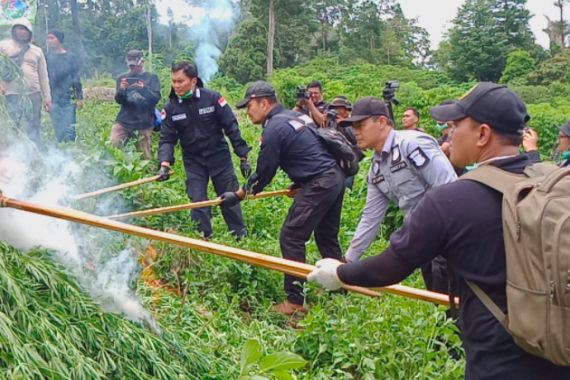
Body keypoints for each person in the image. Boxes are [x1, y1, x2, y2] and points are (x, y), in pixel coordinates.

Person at [308, 82, 570, 379]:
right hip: (559, 344)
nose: (448, 133)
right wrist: (350, 257)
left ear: (482, 134)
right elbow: (371, 215)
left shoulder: (452, 198)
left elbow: (391, 266)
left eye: (456, 125)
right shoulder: (551, 180)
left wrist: (340, 274)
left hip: (500, 359)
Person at [221, 81, 345, 315]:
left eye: (250, 106)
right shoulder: (294, 117)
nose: (248, 111)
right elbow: (311, 150)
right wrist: (300, 183)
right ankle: (339, 287)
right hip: (333, 177)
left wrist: (240, 193)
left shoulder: (274, 127)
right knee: (326, 236)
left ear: (264, 103)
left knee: (291, 236)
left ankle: (295, 301)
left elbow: (265, 169)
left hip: (320, 182)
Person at [341, 96, 457, 293]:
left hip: (450, 235)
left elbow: (449, 189)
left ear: (382, 122)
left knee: (457, 299)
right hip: (424, 240)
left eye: (360, 125)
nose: (355, 132)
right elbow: (370, 218)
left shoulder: (412, 144)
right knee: (439, 300)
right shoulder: (376, 170)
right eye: (353, 127)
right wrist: (347, 261)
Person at [157, 61, 251, 239]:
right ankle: (204, 239)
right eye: (173, 81)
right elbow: (167, 139)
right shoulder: (171, 108)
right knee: (198, 201)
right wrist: (164, 163)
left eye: (180, 81)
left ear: (193, 81)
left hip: (219, 157)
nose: (176, 85)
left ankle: (240, 237)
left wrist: (243, 156)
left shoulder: (212, 98)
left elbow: (231, 126)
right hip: (194, 161)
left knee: (229, 198)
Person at [0, 18, 51, 145]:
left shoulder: (37, 51)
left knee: (33, 126)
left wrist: (47, 98)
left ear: (30, 33)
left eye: (25, 30)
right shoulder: (3, 46)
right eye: (19, 29)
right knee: (12, 125)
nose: (22, 32)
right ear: (14, 30)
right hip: (10, 93)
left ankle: (34, 152)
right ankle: (12, 153)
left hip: (33, 94)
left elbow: (43, 75)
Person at [111, 49, 160, 160]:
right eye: (130, 66)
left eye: (135, 66)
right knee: (113, 146)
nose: (132, 68)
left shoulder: (152, 78)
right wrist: (122, 90)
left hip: (144, 122)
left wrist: (144, 89)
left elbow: (155, 99)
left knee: (144, 156)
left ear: (142, 62)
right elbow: (119, 100)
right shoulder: (121, 78)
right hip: (124, 121)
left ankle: (147, 175)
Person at [45, 30, 83, 143]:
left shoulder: (70, 57)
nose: (49, 41)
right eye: (48, 38)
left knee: (70, 128)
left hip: (67, 97)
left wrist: (79, 97)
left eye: (52, 38)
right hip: (52, 98)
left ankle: (72, 152)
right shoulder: (45, 57)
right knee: (58, 130)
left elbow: (76, 78)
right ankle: (61, 153)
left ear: (59, 40)